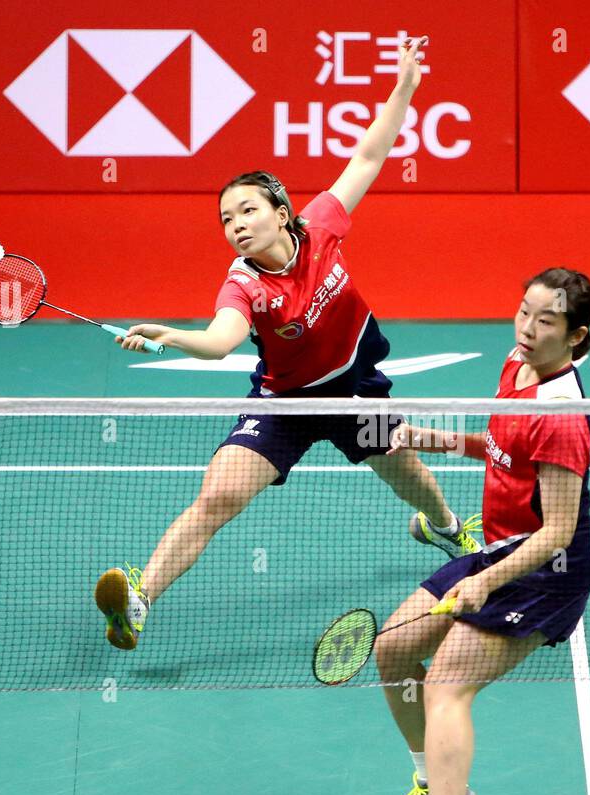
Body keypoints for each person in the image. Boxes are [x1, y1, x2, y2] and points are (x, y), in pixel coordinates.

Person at [94, 36, 480, 650]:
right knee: (219, 494)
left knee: (412, 478)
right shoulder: (243, 284)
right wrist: (173, 336)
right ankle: (140, 598)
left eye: (246, 210)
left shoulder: (323, 226)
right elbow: (222, 342)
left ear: (281, 210)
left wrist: (405, 86)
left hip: (355, 393)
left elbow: (370, 155)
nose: (236, 225)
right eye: (226, 219)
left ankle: (445, 528)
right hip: (285, 405)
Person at [374, 268, 590, 795]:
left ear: (575, 337)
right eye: (523, 311)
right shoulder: (516, 364)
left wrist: (483, 582)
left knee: (447, 684)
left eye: (545, 321)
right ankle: (439, 791)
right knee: (392, 650)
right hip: (497, 551)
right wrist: (432, 439)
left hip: (547, 572)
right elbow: (501, 444)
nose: (526, 327)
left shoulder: (562, 415)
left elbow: (558, 531)